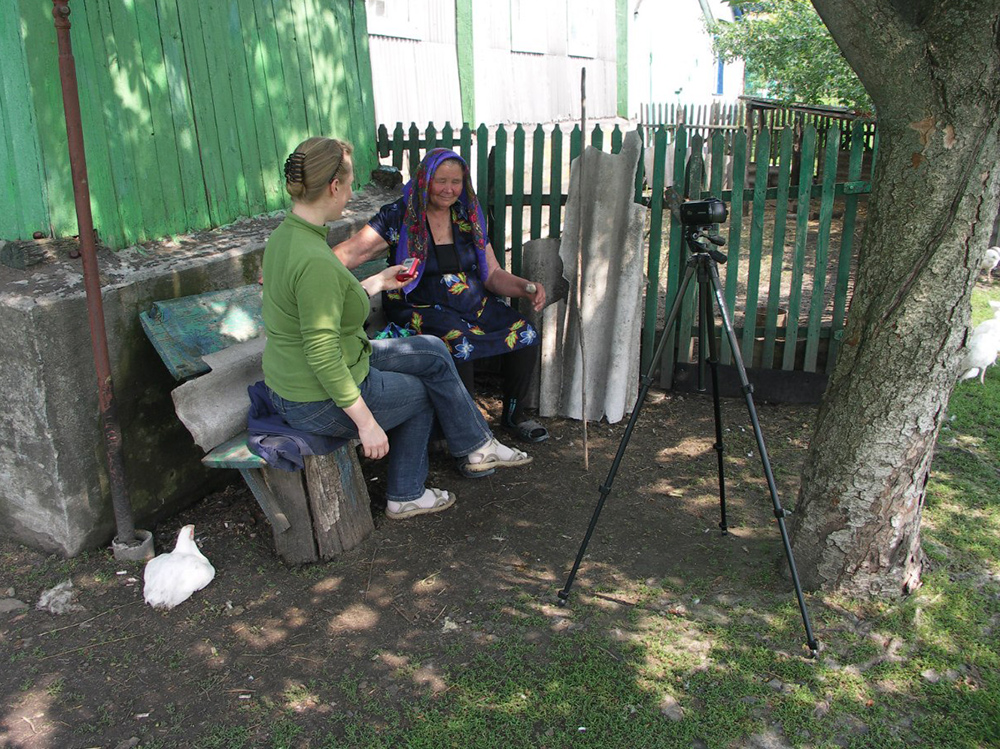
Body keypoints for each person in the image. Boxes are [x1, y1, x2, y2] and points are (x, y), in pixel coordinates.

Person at [262, 137, 532, 520]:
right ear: (334, 187)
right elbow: (321, 355)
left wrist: (377, 283)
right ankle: (406, 493)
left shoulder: (287, 237)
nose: (352, 192)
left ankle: (477, 445)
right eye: (351, 183)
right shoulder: (314, 259)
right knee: (422, 392)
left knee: (432, 351)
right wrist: (367, 423)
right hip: (314, 396)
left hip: (319, 372)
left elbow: (321, 304)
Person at [334, 148, 550, 443]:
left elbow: (492, 274)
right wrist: (296, 268)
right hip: (417, 304)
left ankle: (515, 414)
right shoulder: (398, 216)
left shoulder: (468, 216)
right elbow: (350, 253)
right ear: (424, 180)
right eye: (441, 180)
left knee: (525, 333)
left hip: (469, 303)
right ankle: (465, 433)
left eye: (456, 182)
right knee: (457, 340)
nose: (449, 189)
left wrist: (526, 286)